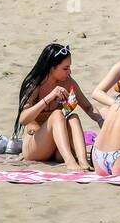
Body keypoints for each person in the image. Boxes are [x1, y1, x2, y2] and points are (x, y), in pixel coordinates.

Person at [11, 43, 102, 171]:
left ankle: (82, 160)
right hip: (35, 146)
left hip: (57, 148)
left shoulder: (68, 82)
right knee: (58, 114)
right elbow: (23, 119)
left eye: (69, 67)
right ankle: (70, 161)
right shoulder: (35, 84)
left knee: (73, 117)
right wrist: (49, 98)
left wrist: (101, 121)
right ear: (51, 68)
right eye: (65, 68)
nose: (69, 72)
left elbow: (88, 107)